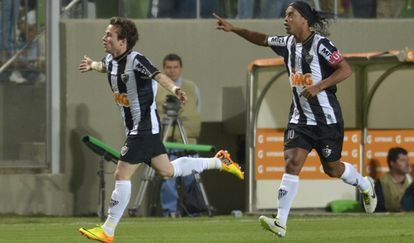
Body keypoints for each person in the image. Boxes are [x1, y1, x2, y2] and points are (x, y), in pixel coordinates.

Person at [214, 1, 377, 238]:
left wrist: (319, 86)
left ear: (305, 19)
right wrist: (235, 29)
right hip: (300, 119)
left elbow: (345, 70)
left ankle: (364, 185)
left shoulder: (322, 45)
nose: (285, 19)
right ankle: (280, 221)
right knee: (292, 163)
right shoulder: (287, 43)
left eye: (291, 14)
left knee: (332, 168)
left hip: (326, 120)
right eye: (285, 15)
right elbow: (261, 38)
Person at [77, 17, 244, 243]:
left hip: (143, 129)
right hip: (139, 130)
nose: (104, 38)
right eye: (105, 34)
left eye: (109, 35)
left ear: (123, 41)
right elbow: (104, 65)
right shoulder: (111, 60)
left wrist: (175, 88)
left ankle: (108, 230)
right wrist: (92, 65)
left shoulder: (136, 60)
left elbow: (158, 75)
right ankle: (219, 162)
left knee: (121, 174)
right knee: (167, 171)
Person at [156, 53, 203, 217]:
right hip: (166, 141)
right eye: (168, 67)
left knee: (192, 178)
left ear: (180, 68)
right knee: (168, 179)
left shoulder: (192, 87)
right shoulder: (157, 88)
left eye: (175, 67)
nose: (172, 71)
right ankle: (170, 212)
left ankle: (194, 211)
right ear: (164, 69)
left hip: (188, 140)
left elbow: (197, 109)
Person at [375, 147, 412, 212]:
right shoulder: (381, 183)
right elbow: (377, 209)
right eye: (403, 160)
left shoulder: (412, 181)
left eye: (408, 160)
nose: (408, 164)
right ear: (392, 163)